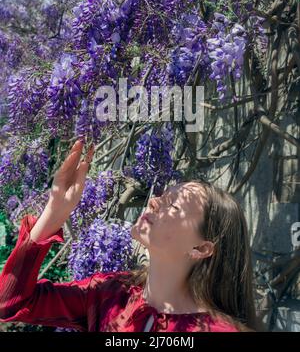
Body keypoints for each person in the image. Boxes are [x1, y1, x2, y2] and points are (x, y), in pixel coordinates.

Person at [0, 140, 259, 332]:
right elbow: (11, 302)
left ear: (201, 248)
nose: (155, 202)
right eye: (163, 195)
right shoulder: (108, 294)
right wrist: (54, 212)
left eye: (174, 205)